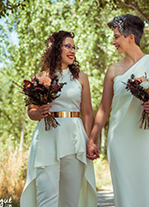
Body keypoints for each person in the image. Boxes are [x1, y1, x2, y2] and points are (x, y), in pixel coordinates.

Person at [87, 14, 149, 207]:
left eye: (116, 36)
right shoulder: (113, 71)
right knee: (126, 194)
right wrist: (92, 139)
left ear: (130, 38)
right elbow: (104, 108)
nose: (113, 41)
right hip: (120, 142)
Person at [20, 31, 97, 207]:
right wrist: (38, 114)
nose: (72, 50)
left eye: (74, 47)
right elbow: (31, 110)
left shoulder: (81, 78)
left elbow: (87, 112)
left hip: (74, 139)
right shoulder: (39, 78)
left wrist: (90, 141)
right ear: (55, 49)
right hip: (47, 138)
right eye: (67, 46)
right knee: (46, 196)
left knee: (71, 200)